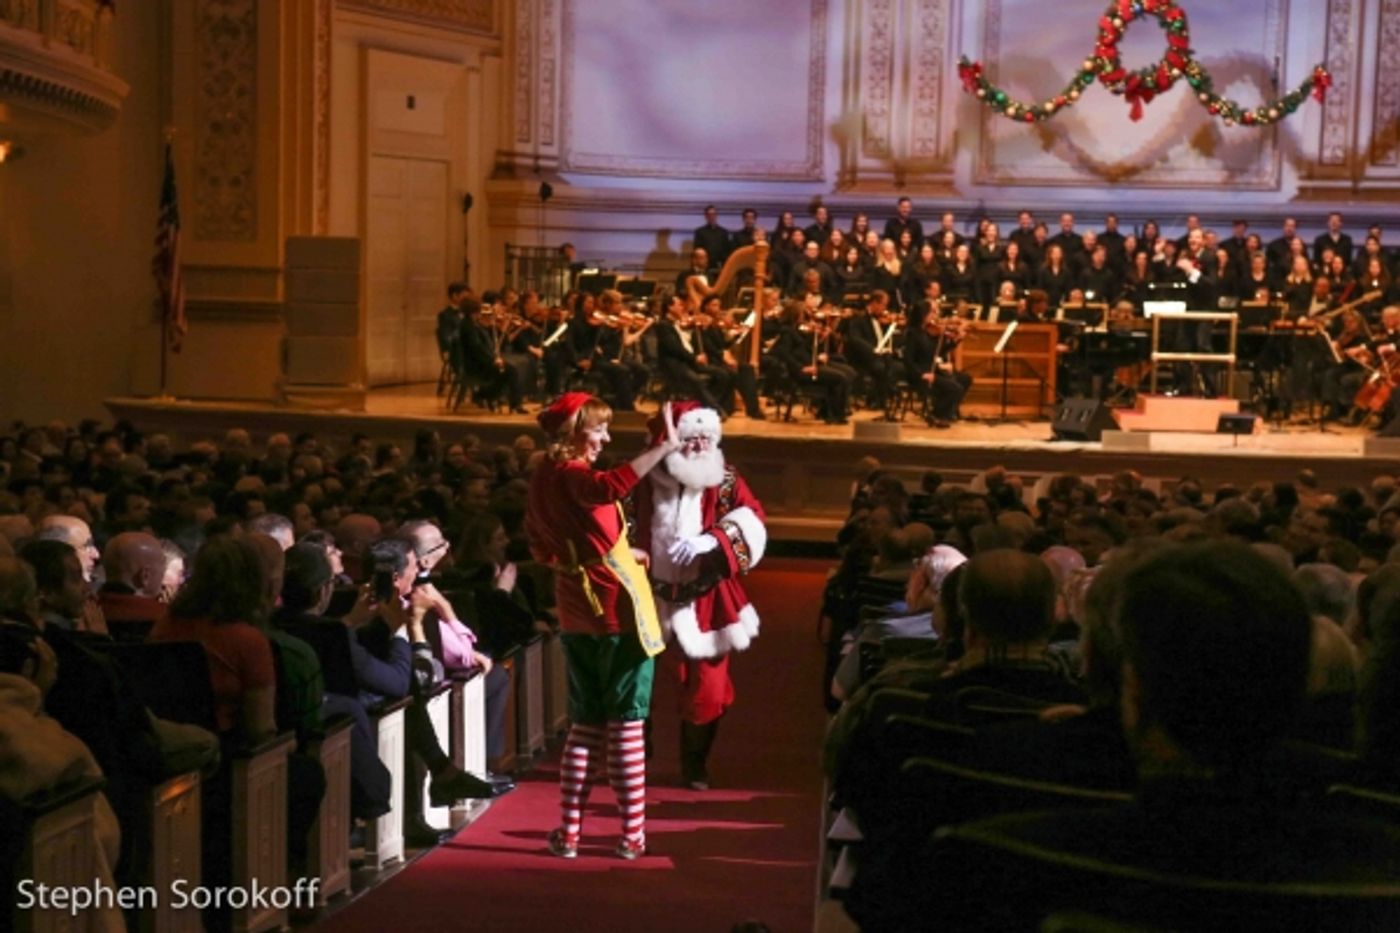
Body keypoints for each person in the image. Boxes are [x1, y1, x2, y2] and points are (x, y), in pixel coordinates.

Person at [525, 394, 683, 859]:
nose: (606, 438)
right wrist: (664, 447)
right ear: (574, 431)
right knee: (627, 724)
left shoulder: (541, 477)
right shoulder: (575, 474)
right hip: (615, 610)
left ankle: (569, 833)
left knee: (585, 724)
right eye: (599, 430)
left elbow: (544, 546)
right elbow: (611, 487)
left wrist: (609, 554)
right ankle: (632, 835)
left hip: (575, 607)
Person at [628, 402, 767, 790]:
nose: (700, 447)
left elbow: (753, 518)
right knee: (634, 684)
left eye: (707, 439)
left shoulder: (723, 479)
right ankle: (635, 754)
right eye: (691, 439)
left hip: (704, 598)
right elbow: (613, 526)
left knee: (708, 690)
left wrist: (714, 539)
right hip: (645, 596)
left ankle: (695, 765)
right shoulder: (640, 478)